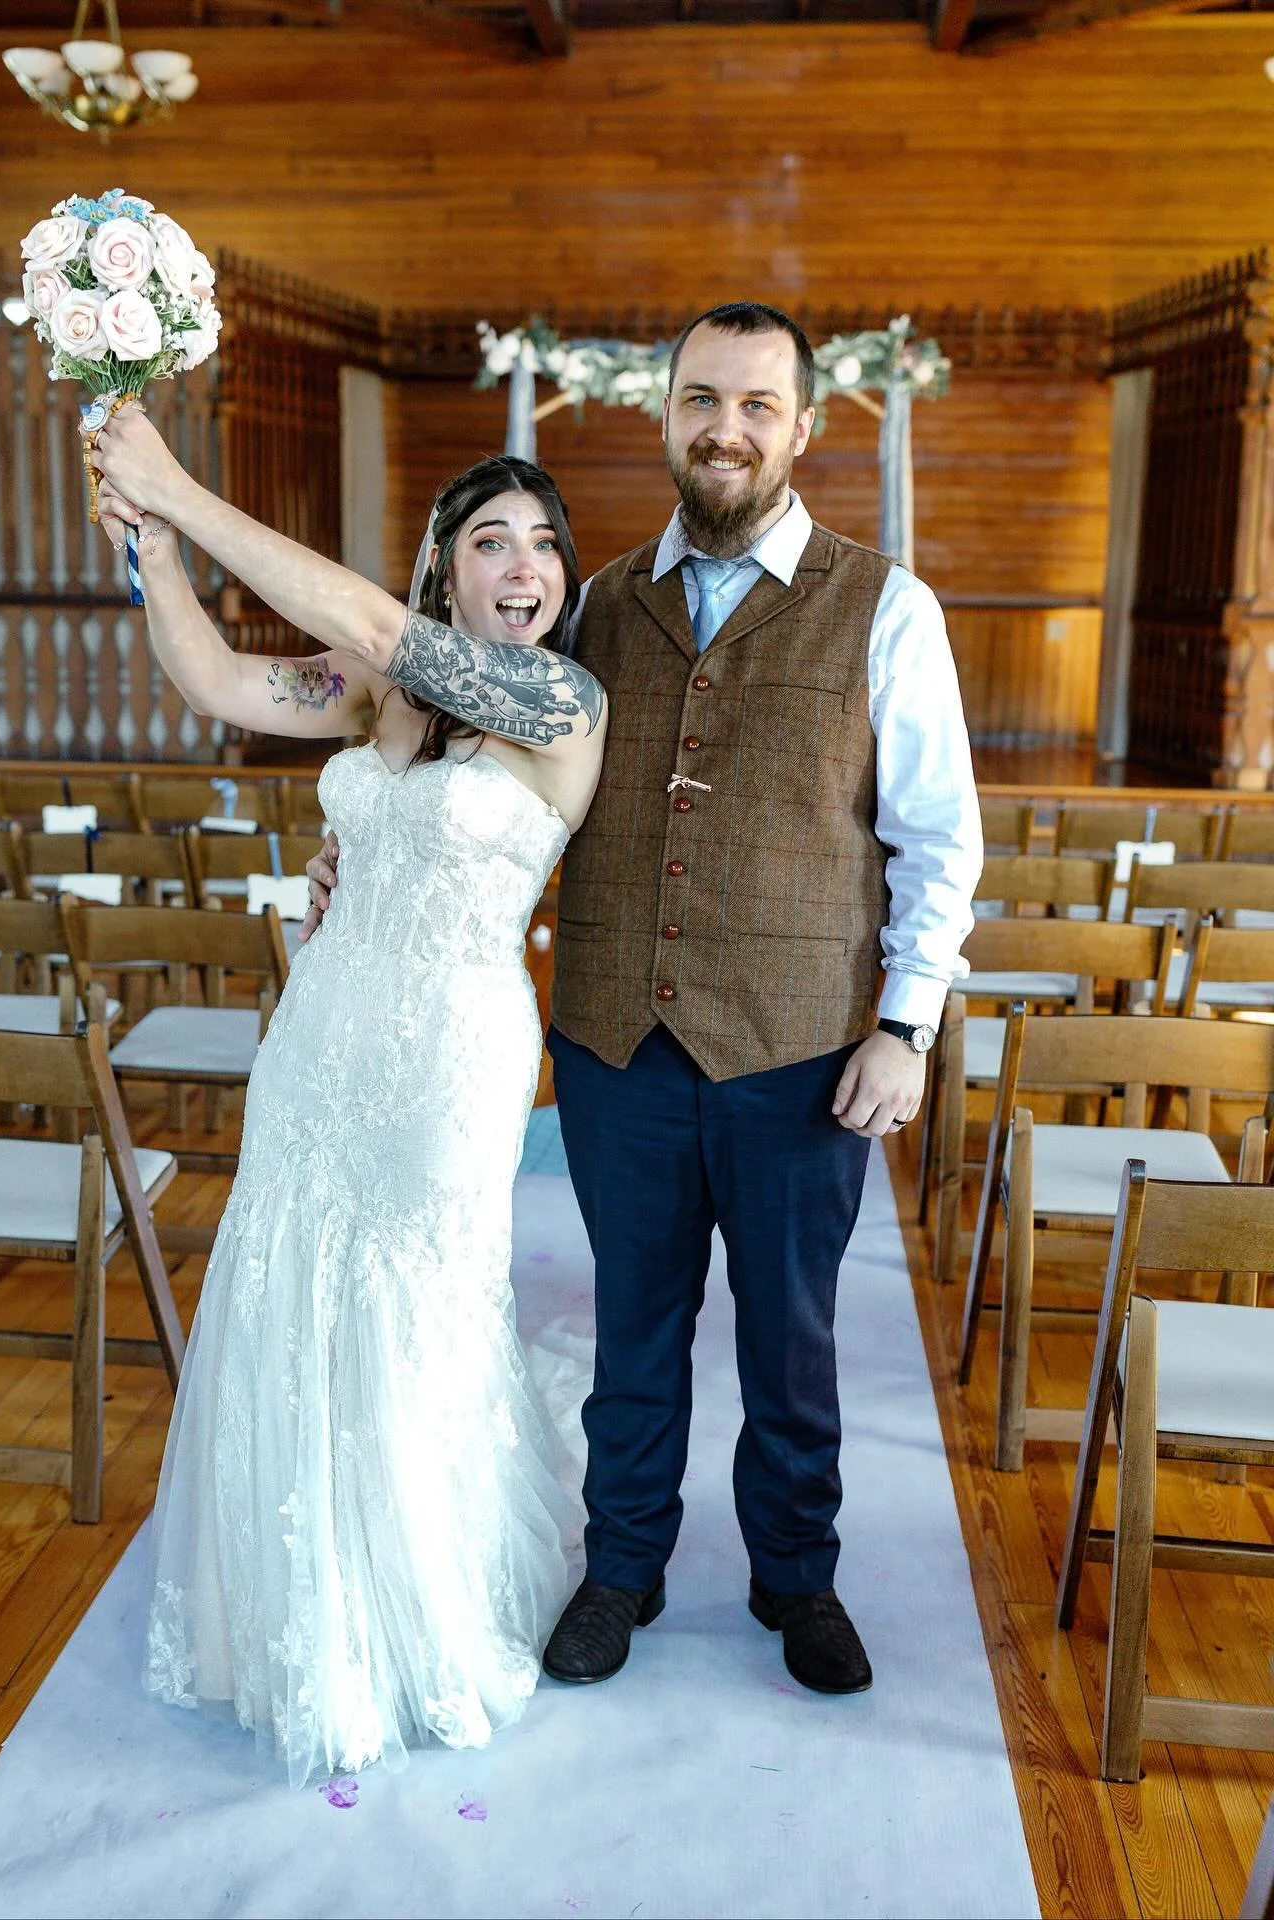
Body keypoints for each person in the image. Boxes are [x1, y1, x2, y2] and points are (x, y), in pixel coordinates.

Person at [308, 300, 981, 1701]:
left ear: (802, 426)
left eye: (754, 404)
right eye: (699, 401)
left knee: (794, 1344)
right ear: (665, 416)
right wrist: (352, 855)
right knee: (633, 1329)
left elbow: (940, 835)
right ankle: (624, 1566)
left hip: (806, 1052)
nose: (724, 428)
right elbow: (465, 766)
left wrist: (906, 1025)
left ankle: (797, 1577)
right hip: (620, 1041)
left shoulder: (888, 607)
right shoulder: (591, 602)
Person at [90, 418, 605, 1783]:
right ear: (449, 563)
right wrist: (150, 547)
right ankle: (287, 1607)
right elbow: (216, 682)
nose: (525, 563)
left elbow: (371, 619)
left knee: (410, 1304)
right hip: (320, 1033)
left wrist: (180, 489)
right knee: (286, 1287)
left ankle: (409, 1617)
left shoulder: (562, 705)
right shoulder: (380, 694)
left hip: (447, 1051)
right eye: (492, 538)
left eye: (546, 543)